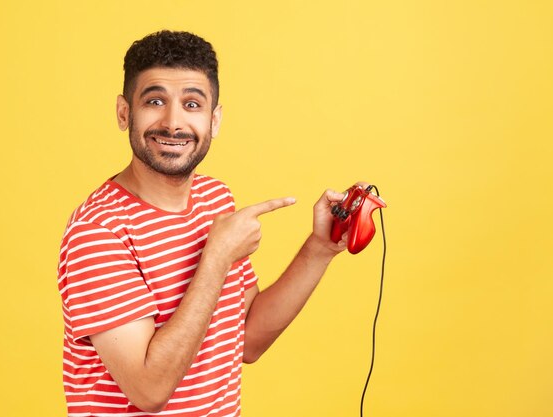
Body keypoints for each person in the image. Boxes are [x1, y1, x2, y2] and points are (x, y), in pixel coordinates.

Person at [58, 30, 353, 417]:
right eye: (155, 101)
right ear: (124, 113)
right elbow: (149, 391)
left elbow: (247, 340)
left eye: (192, 104)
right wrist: (216, 258)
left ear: (214, 120)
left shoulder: (215, 200)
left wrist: (321, 247)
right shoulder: (97, 232)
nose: (173, 122)